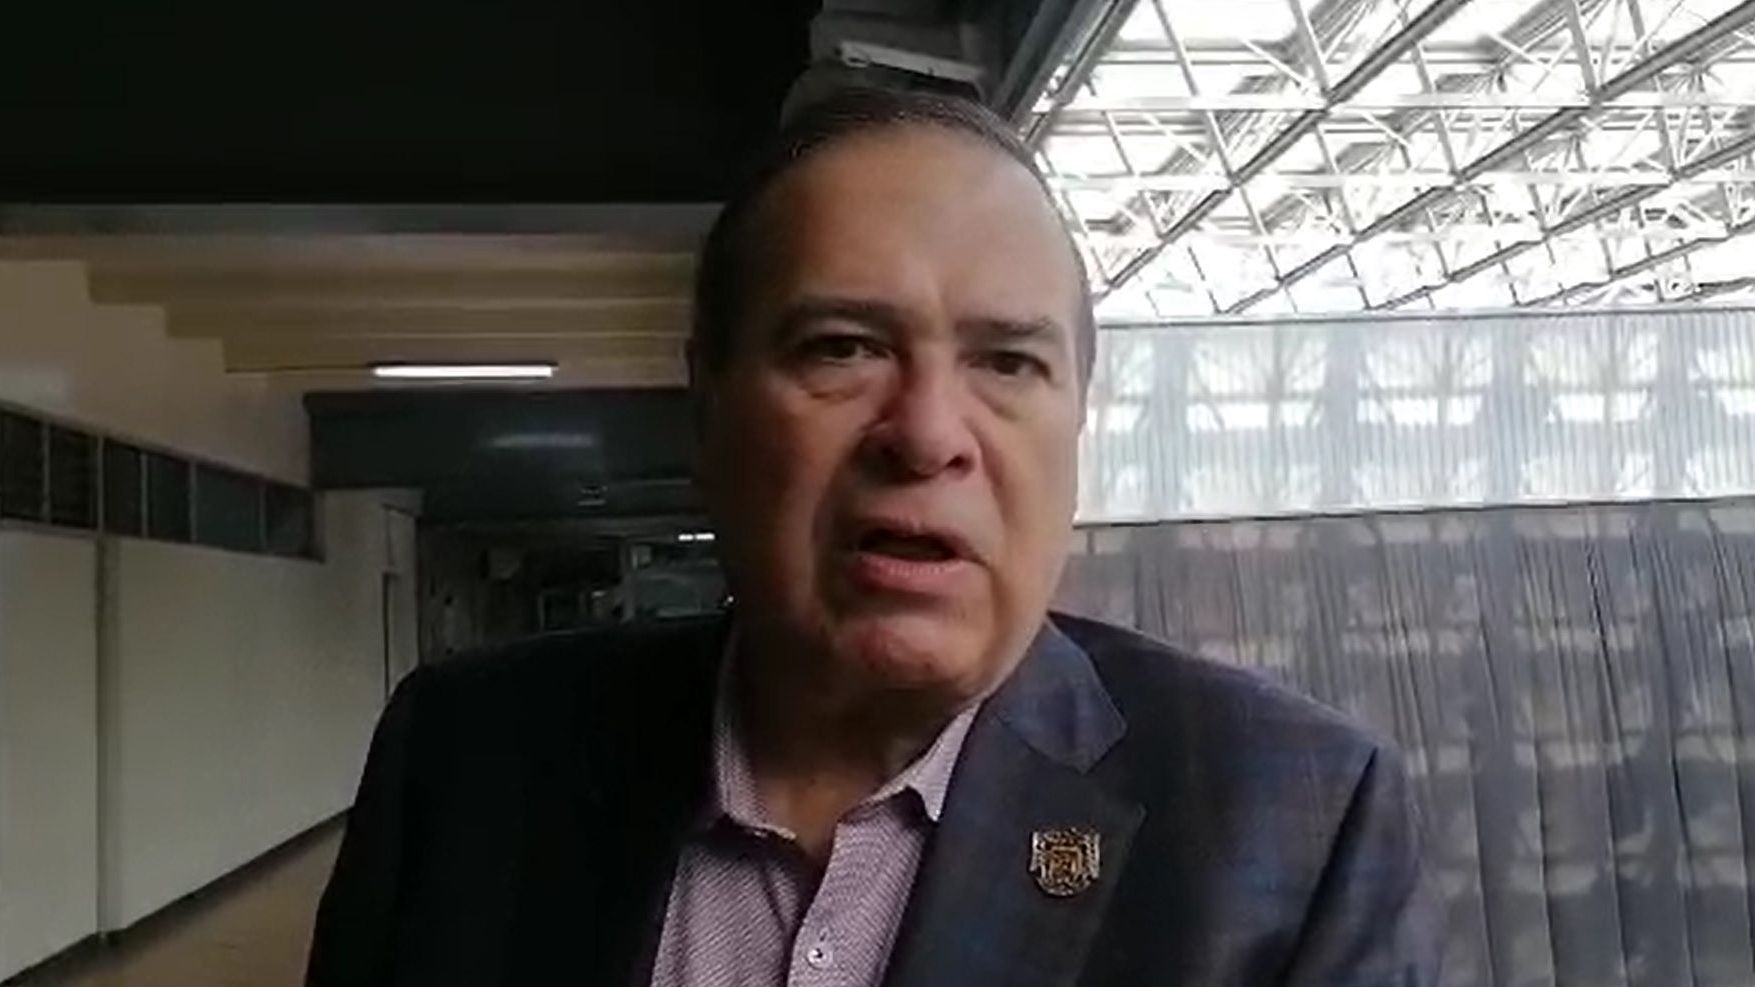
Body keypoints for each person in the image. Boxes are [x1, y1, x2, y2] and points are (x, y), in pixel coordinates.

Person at [307, 88, 1439, 987]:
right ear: (709, 402)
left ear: (1077, 418)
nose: (929, 434)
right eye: (842, 347)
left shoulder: (1289, 822)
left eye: (1009, 362)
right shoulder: (467, 762)